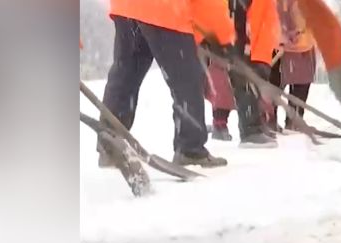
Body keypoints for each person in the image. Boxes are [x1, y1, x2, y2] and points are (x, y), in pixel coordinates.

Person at [99, 0, 264, 168]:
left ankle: (110, 144)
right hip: (165, 8)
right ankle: (190, 149)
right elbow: (209, 4)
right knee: (187, 79)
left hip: (126, 7)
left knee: (126, 74)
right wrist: (223, 41)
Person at [205, 0, 281, 147]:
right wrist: (243, 44)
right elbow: (239, 13)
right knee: (246, 86)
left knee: (255, 86)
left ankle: (255, 126)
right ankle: (250, 131)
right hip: (249, 44)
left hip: (261, 43)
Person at [267, 0, 317, 132]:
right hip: (280, 43)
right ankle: (272, 119)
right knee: (275, 83)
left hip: (300, 42)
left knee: (299, 83)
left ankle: (292, 120)